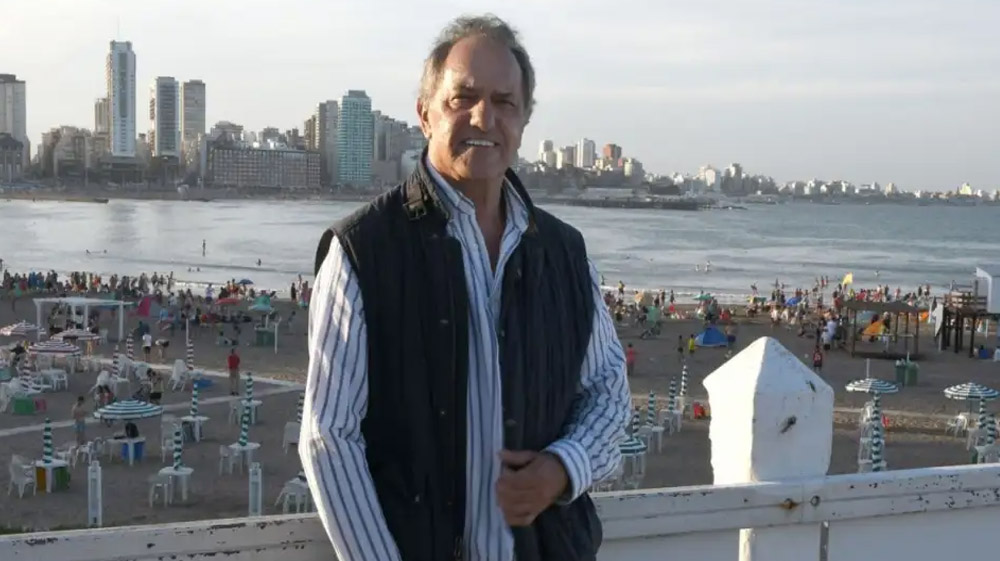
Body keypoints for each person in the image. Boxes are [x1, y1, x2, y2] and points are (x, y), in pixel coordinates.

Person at [301, 14, 630, 561]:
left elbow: (609, 391)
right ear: (425, 114)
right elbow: (330, 436)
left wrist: (563, 467)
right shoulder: (365, 251)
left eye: (504, 102)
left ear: (523, 119)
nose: (484, 117)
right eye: (463, 98)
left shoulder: (563, 254)